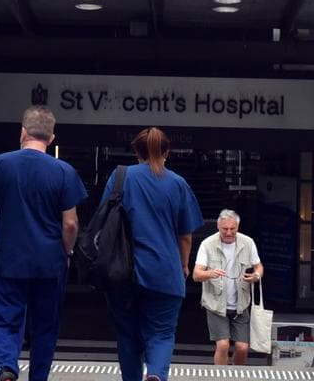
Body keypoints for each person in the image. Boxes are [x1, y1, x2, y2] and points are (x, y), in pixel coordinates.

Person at [0, 106, 87, 381]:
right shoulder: (64, 171)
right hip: (50, 261)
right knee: (45, 325)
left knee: (4, 318)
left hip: (9, 257)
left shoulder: (0, 164)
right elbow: (71, 223)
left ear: (22, 132)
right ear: (52, 138)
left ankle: (6, 367)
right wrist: (66, 251)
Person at [101, 127, 203, 381]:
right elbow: (185, 235)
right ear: (167, 152)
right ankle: (156, 373)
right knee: (162, 334)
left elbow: (103, 220)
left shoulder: (120, 177)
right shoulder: (177, 184)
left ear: (136, 151)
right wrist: (184, 265)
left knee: (127, 336)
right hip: (165, 273)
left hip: (122, 272)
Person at [193, 209, 264, 366]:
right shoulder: (207, 244)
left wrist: (256, 276)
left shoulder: (248, 242)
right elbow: (196, 275)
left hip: (241, 304)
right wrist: (210, 273)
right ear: (218, 227)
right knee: (223, 345)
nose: (229, 232)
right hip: (215, 304)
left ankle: (235, 375)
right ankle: (221, 376)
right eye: (225, 229)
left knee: (242, 347)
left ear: (238, 227)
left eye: (233, 229)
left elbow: (259, 267)